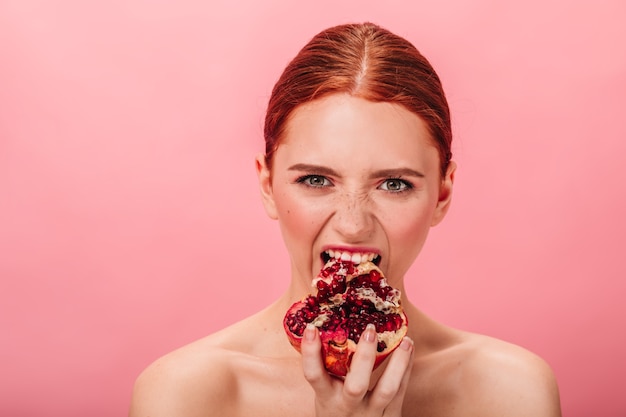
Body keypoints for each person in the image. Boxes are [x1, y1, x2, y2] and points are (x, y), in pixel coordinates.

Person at [129, 22, 561, 417]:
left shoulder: (511, 393)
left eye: (394, 184)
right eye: (316, 179)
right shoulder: (183, 395)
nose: (353, 225)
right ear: (267, 185)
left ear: (443, 193)